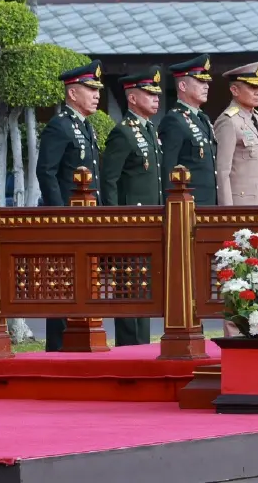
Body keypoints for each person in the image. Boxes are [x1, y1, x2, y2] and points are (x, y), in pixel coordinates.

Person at [36, 59, 104, 353]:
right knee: (63, 283)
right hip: (68, 216)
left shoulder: (85, 126)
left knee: (84, 282)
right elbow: (46, 172)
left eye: (97, 90)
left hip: (88, 217)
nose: (97, 95)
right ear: (73, 93)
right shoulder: (60, 125)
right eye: (90, 89)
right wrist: (60, 213)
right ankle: (59, 345)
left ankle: (81, 339)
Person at [100, 66, 164, 348]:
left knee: (144, 286)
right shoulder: (123, 133)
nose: (156, 98)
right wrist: (116, 220)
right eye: (149, 94)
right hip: (131, 221)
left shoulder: (149, 130)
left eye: (157, 94)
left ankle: (142, 345)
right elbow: (109, 181)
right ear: (132, 98)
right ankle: (129, 346)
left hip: (150, 220)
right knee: (129, 285)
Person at [159, 54, 218, 206]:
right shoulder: (174, 120)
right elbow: (168, 170)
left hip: (209, 204)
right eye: (200, 81)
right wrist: (172, 207)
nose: (206, 86)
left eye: (207, 82)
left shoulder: (203, 118)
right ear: (183, 86)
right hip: (188, 205)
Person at [214, 63, 258, 206]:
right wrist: (227, 211)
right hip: (240, 205)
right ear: (234, 90)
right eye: (252, 87)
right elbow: (222, 171)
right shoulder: (228, 121)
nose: (257, 92)